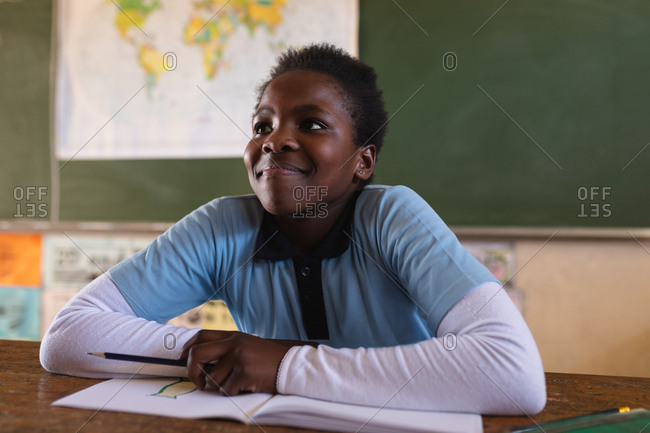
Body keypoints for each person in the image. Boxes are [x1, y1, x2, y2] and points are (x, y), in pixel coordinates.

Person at [40, 43, 546, 414]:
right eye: (262, 124)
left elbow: (511, 373)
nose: (275, 140)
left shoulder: (394, 217)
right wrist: (214, 353)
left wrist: (284, 364)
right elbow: (67, 335)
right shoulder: (225, 225)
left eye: (312, 124)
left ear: (363, 161)